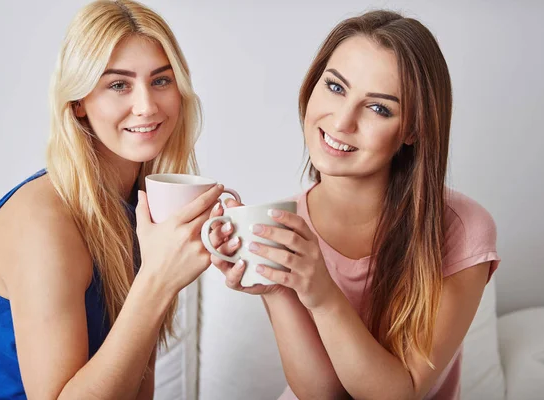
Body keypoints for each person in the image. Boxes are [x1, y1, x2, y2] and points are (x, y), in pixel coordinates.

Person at [210, 10, 499, 400]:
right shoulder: (284, 224)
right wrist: (275, 288)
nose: (343, 121)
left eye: (379, 108)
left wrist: (322, 294)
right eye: (335, 87)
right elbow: (321, 394)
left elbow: (401, 392)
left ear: (413, 129)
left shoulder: (463, 229)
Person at [0, 0, 223, 398]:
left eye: (161, 81)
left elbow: (135, 387)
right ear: (78, 102)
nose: (147, 105)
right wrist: (158, 281)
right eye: (119, 84)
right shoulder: (43, 222)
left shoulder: (138, 208)